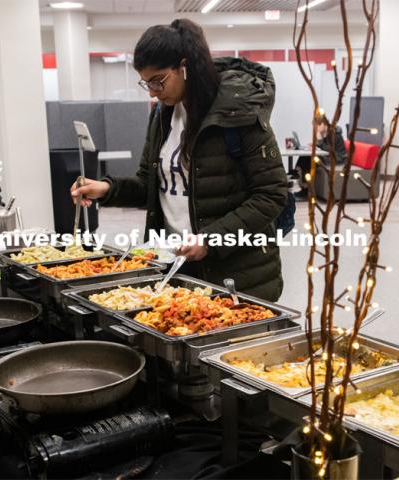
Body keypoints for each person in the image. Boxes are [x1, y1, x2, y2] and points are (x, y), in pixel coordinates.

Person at [71, 19, 288, 301]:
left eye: (157, 80)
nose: (151, 91)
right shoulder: (162, 115)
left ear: (184, 67)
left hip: (237, 275)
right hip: (178, 268)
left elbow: (271, 194)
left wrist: (211, 240)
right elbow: (151, 184)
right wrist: (107, 190)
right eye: (145, 82)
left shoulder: (239, 111)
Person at [294, 114, 347, 199]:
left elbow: (329, 151)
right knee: (305, 156)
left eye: (317, 126)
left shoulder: (334, 134)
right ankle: (297, 172)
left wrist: (319, 140)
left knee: (311, 159)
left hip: (337, 159)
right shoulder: (325, 133)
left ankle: (306, 189)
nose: (315, 128)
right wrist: (314, 145)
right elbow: (324, 148)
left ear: (323, 124)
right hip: (330, 157)